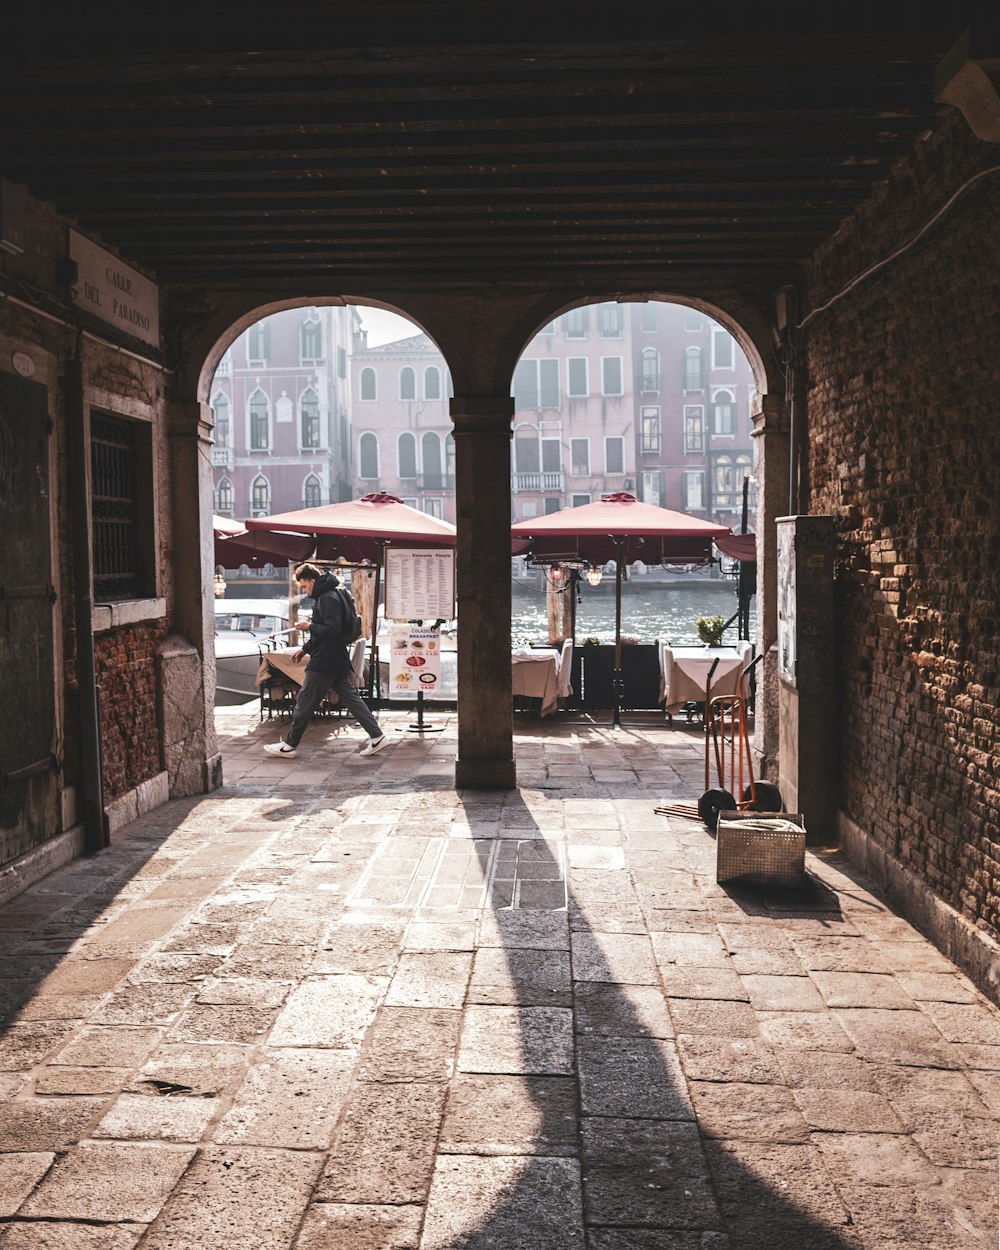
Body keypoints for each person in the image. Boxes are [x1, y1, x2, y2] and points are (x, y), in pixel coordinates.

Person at [264, 562, 388, 759]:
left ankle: (289, 745)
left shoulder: (327, 597)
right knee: (351, 699)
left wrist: (308, 627)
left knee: (304, 701)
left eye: (304, 586)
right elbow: (325, 631)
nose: (304, 590)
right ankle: (377, 736)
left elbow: (332, 630)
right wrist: (304, 649)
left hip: (325, 661)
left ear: (312, 580)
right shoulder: (328, 594)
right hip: (334, 657)